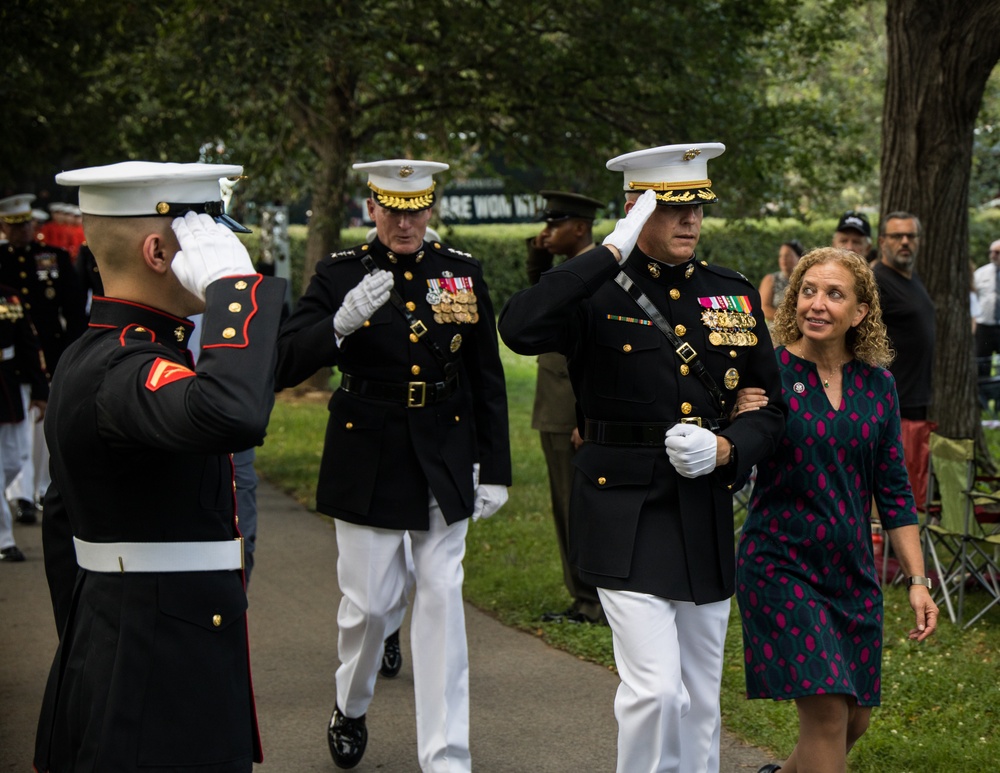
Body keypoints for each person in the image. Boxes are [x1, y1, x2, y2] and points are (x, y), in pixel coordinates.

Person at [499, 143, 786, 773]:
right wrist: (610, 250)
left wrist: (730, 445)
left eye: (697, 207)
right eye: (671, 208)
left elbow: (773, 408)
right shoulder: (593, 291)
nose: (690, 221)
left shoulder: (729, 294)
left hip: (701, 506)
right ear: (635, 210)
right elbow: (518, 326)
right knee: (656, 691)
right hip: (620, 506)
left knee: (700, 700)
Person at [34, 161, 286, 771]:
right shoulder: (128, 368)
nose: (219, 251)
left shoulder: (95, 354)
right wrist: (235, 289)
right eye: (204, 237)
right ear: (157, 251)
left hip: (126, 640)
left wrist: (89, 640)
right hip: (158, 666)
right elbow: (231, 413)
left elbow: (58, 517)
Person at [274, 159, 512, 772]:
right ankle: (350, 704)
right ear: (372, 209)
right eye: (393, 210)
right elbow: (285, 361)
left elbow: (486, 377)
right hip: (368, 449)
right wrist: (339, 322)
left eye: (416, 209)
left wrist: (497, 467)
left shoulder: (459, 274)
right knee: (371, 606)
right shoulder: (337, 274)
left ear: (430, 209)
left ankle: (447, 757)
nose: (405, 223)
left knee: (440, 597)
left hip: (445, 447)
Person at [732, 247, 938, 773]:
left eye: (834, 294)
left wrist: (917, 580)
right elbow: (730, 462)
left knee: (855, 718)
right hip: (780, 563)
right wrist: (735, 420)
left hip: (851, 571)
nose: (816, 304)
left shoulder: (879, 385)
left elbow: (894, 491)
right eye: (807, 291)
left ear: (860, 312)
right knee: (825, 716)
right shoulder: (768, 374)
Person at [525, 189, 607, 624]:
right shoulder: (567, 271)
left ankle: (590, 601)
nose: (546, 232)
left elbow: (599, 352)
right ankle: (585, 597)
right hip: (556, 407)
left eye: (555, 225)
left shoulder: (593, 274)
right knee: (565, 504)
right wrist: (537, 259)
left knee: (576, 507)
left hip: (573, 412)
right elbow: (532, 315)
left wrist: (587, 415)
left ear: (579, 228)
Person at [0, 193, 87, 524]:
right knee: (18, 432)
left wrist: (71, 350)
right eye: (13, 226)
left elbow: (74, 309)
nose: (20, 231)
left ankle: (37, 487)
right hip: (11, 359)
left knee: (39, 430)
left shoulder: (54, 257)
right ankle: (21, 493)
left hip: (48, 353)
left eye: (25, 225)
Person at [871, 212, 935, 510]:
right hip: (892, 404)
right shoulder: (876, 282)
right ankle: (885, 555)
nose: (905, 242)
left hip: (915, 401)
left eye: (911, 236)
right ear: (883, 241)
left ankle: (895, 553)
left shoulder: (912, 279)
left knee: (908, 490)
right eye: (897, 236)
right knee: (892, 494)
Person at [0, 283, 49, 562]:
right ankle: (5, 539)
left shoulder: (9, 295)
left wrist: (40, 391)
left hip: (8, 381)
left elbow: (27, 343)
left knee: (16, 460)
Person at [758, 240, 804, 323]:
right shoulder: (771, 279)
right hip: (776, 331)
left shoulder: (806, 281)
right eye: (781, 256)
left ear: (799, 258)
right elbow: (763, 308)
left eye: (788, 255)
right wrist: (789, 319)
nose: (783, 259)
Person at [972, 239, 1000, 375]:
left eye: (997, 252)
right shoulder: (980, 274)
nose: (994, 255)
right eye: (992, 252)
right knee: (982, 365)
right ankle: (983, 395)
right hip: (984, 327)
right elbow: (972, 300)